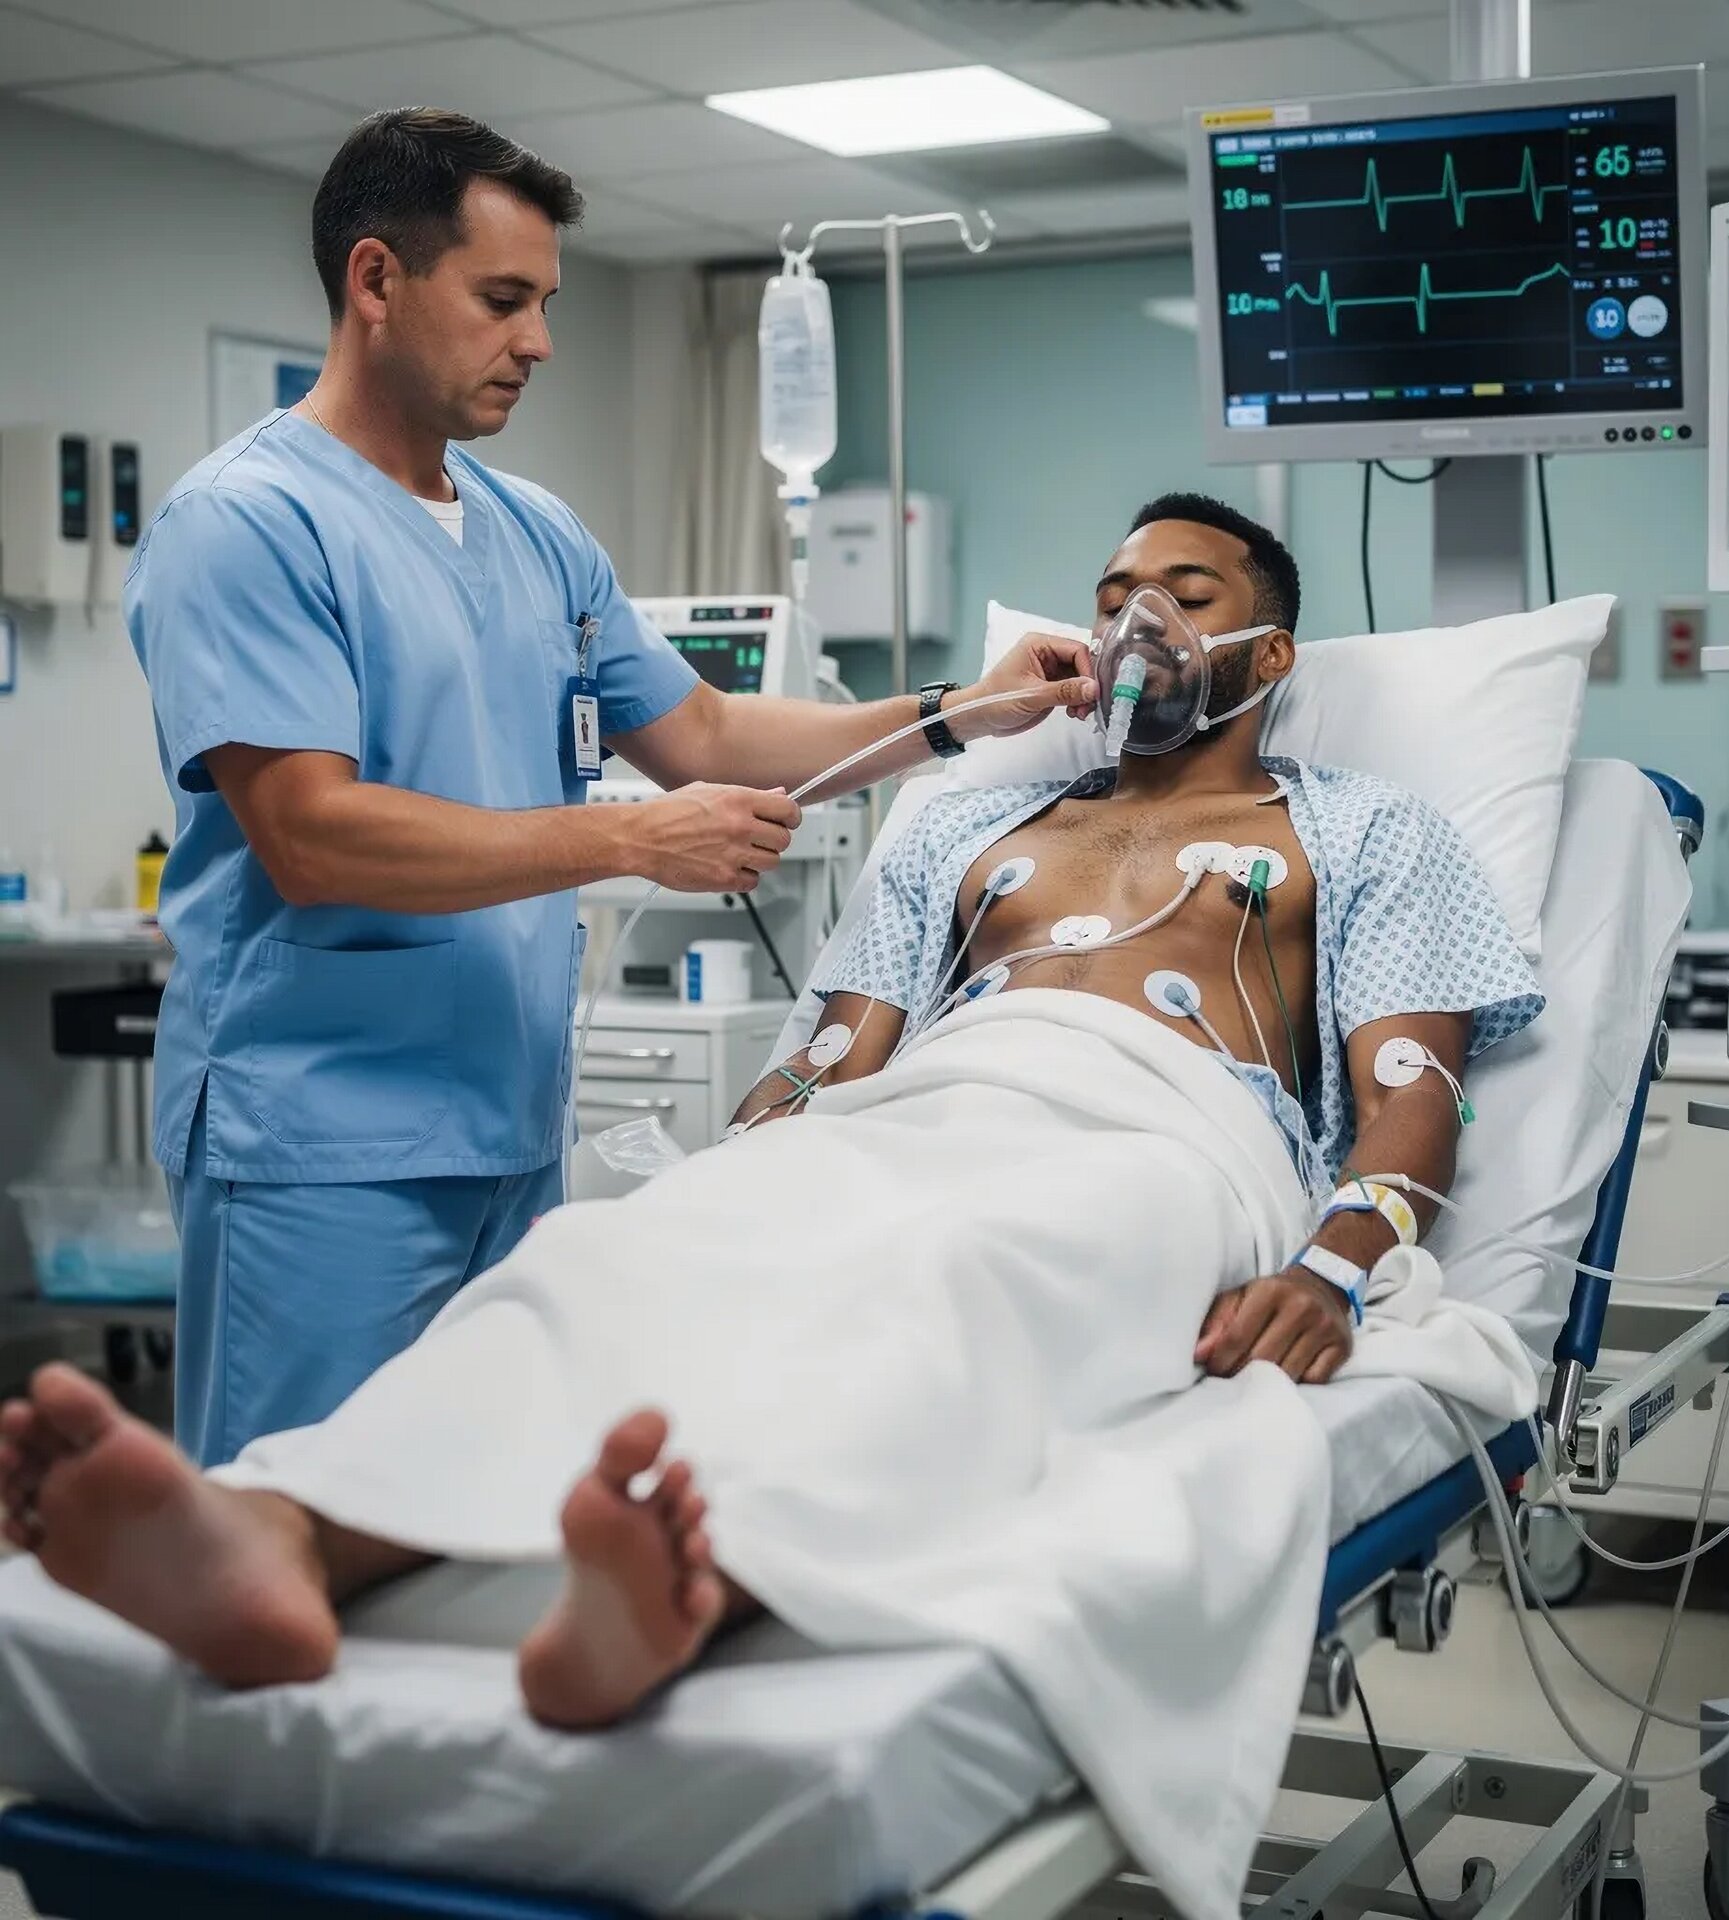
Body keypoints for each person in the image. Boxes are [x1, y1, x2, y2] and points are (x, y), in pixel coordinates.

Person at [4, 496, 1542, 1920]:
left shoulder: (1359, 829)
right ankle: (292, 1535)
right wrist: (740, 1170)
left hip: (1164, 1135)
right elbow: (827, 1058)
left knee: (954, 1270)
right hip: (931, 1101)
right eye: (1116, 591)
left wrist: (1339, 1269)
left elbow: (1416, 1092)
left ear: (1267, 655)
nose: (1138, 620)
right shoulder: (964, 828)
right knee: (618, 1253)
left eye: (1183, 595)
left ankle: (707, 1576)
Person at [125, 108, 1094, 1468]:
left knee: (468, 1522)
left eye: (547, 304)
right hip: (320, 1146)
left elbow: (703, 730)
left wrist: (959, 712)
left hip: (508, 1128)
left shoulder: (536, 533)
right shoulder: (249, 524)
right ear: (376, 282)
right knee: (293, 1533)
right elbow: (310, 834)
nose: (538, 342)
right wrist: (635, 841)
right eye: (503, 300)